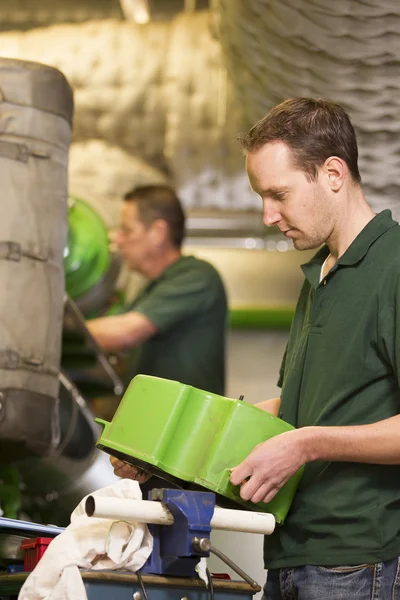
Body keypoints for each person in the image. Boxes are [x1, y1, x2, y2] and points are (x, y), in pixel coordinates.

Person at [227, 98, 400, 598]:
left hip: (360, 562)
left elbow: (305, 432)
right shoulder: (320, 276)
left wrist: (307, 444)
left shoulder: (393, 266)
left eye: (278, 194)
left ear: (332, 173)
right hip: (291, 552)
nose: (267, 215)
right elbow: (298, 406)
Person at [87, 184, 227, 397]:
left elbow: (125, 333)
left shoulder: (196, 276)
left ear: (157, 232)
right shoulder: (151, 290)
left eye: (127, 230)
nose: (116, 239)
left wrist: (50, 334)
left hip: (185, 428)